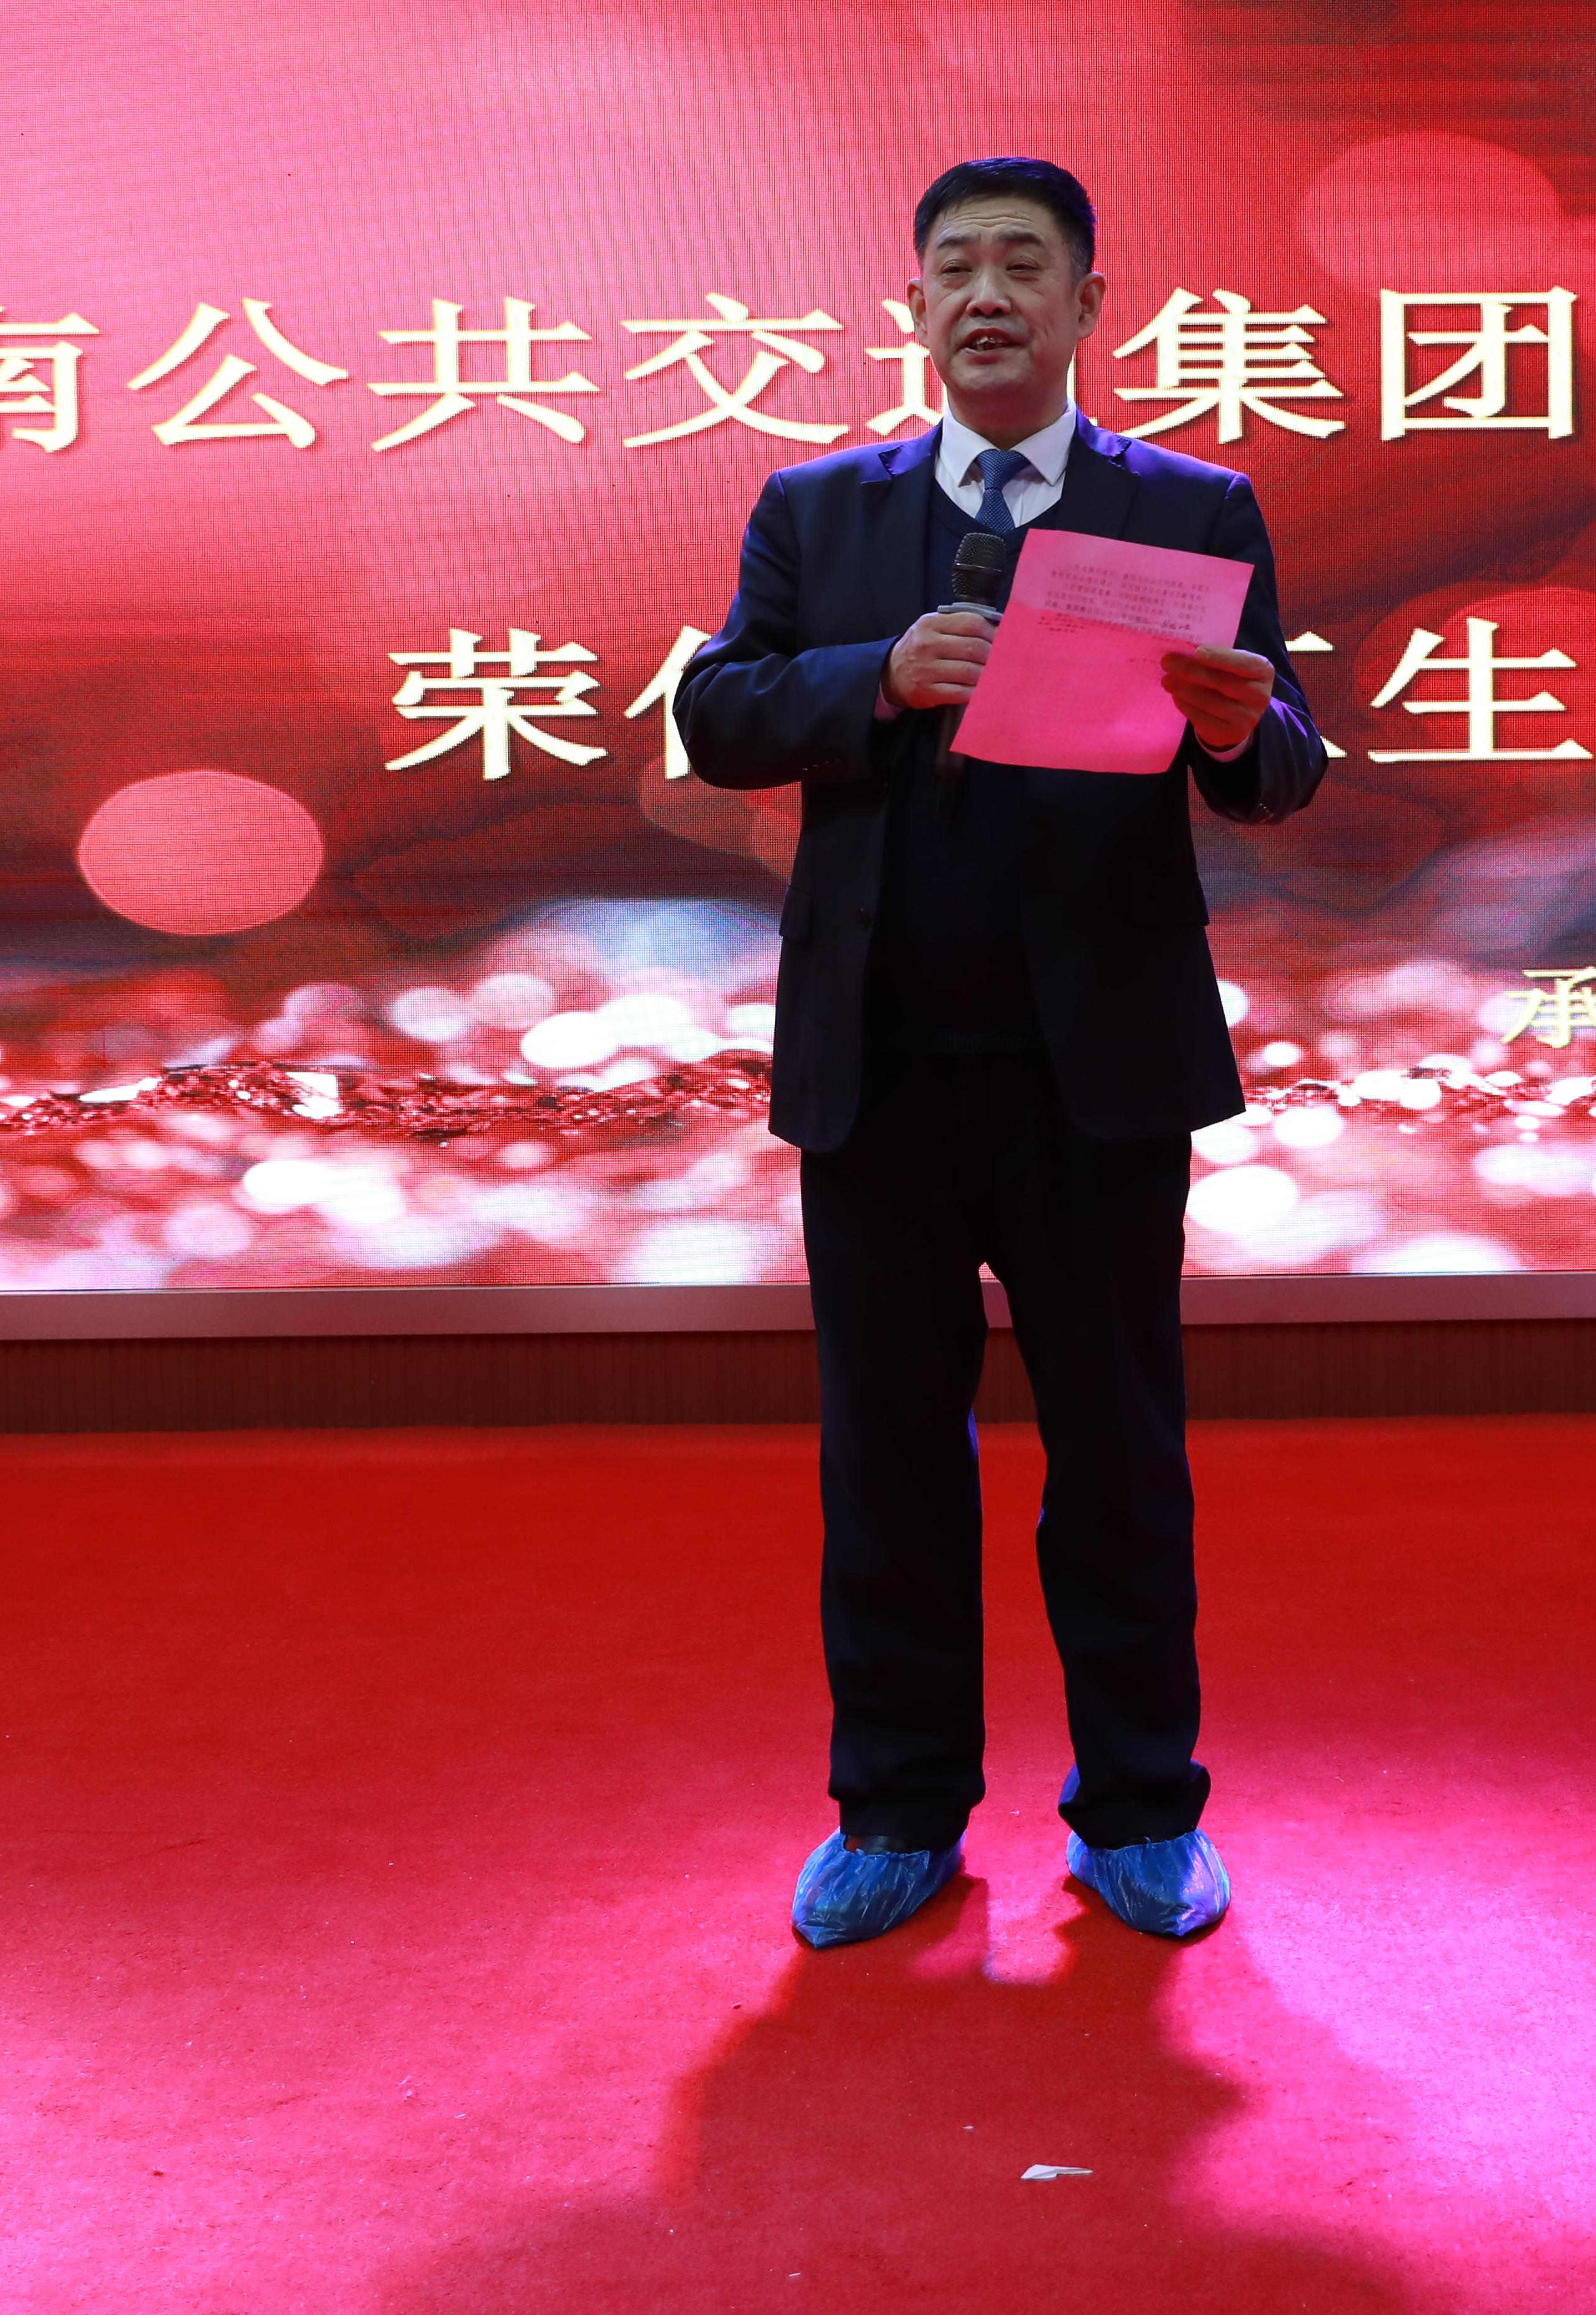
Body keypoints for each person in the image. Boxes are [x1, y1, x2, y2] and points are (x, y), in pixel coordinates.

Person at [674, 157, 1325, 1948]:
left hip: (1094, 1066)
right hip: (879, 1059)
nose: (987, 295)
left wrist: (1241, 723)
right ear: (914, 311)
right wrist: (879, 678)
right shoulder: (821, 510)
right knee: (888, 1457)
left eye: (1023, 266)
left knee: (1118, 1450)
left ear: (1087, 303)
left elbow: (1282, 768)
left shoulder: (1189, 508)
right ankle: (894, 1812)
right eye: (955, 267)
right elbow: (718, 715)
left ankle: (1142, 1812)